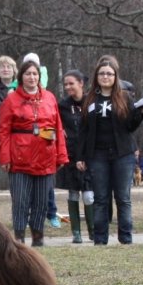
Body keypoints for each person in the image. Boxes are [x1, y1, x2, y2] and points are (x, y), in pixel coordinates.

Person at [0, 59, 68, 247]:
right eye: (28, 74)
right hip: (19, 157)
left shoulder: (50, 98)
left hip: (46, 156)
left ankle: (38, 238)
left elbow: (58, 127)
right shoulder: (11, 100)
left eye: (35, 74)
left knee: (41, 202)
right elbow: (3, 130)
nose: (32, 77)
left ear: (40, 76)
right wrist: (5, 157)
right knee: (20, 201)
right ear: (21, 77)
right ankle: (19, 239)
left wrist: (61, 155)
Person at [76, 57, 143, 245]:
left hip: (123, 154)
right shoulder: (89, 99)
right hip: (97, 155)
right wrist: (80, 156)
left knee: (123, 198)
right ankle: (100, 239)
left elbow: (130, 126)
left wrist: (141, 113)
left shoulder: (125, 97)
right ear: (97, 76)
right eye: (102, 73)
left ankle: (126, 238)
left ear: (116, 77)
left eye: (109, 73)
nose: (106, 76)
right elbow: (83, 130)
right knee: (100, 199)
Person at [57, 70, 94, 243]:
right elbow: (54, 122)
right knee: (73, 194)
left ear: (81, 83)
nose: (68, 87)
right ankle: (76, 233)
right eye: (65, 84)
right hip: (70, 155)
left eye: (71, 83)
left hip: (89, 155)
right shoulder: (63, 105)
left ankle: (93, 231)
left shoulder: (92, 102)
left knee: (88, 196)